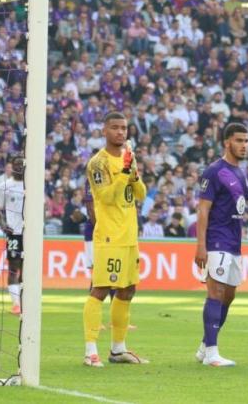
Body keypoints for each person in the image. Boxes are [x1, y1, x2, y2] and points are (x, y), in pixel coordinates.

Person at [194, 123, 248, 367]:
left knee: (228, 296)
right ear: (227, 142)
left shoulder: (241, 173)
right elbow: (203, 210)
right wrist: (201, 246)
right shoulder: (214, 171)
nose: (244, 145)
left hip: (233, 243)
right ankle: (212, 353)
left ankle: (204, 346)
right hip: (216, 240)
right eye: (239, 140)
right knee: (216, 292)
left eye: (246, 140)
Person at [82, 113, 148, 367]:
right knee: (100, 289)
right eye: (115, 128)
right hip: (110, 236)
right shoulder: (97, 163)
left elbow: (140, 194)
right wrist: (123, 173)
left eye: (124, 128)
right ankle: (90, 351)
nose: (120, 132)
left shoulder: (128, 158)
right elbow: (107, 196)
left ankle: (118, 350)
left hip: (130, 235)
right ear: (104, 131)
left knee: (128, 290)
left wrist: (133, 175)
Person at [0, 156, 25, 316]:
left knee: (26, 270)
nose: (19, 166)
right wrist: (3, 225)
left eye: (21, 163)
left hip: (29, 234)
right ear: (11, 167)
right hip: (14, 233)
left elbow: (42, 207)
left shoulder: (31, 185)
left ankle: (25, 302)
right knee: (14, 267)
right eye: (16, 164)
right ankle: (16, 304)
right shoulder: (4, 186)